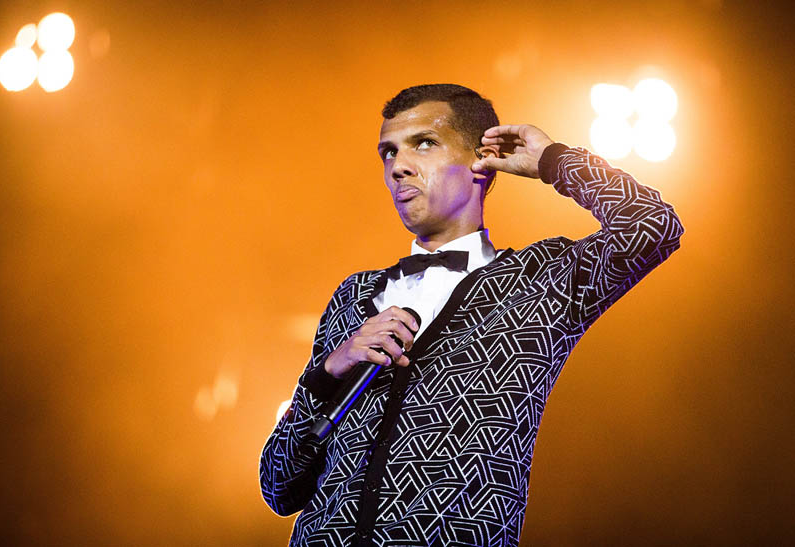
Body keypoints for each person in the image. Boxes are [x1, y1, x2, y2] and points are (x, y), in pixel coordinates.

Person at [260, 84, 684, 546]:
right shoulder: (355, 295)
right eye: (388, 152)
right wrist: (324, 375)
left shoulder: (539, 283)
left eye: (424, 143)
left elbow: (652, 226)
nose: (397, 166)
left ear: (480, 160)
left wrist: (553, 161)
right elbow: (279, 487)